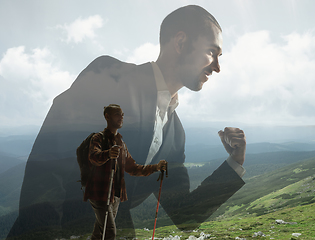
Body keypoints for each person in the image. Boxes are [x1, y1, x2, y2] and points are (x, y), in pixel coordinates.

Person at [8, 5, 246, 239]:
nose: (217, 67)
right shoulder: (111, 76)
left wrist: (235, 162)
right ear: (181, 43)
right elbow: (48, 165)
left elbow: (184, 212)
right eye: (211, 52)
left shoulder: (175, 134)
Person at [85, 104, 167, 240]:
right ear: (107, 117)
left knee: (100, 232)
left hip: (115, 195)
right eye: (118, 114)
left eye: (122, 114)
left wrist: (156, 167)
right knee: (109, 232)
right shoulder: (98, 138)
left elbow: (133, 168)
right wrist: (108, 154)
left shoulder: (121, 144)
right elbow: (93, 157)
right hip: (100, 193)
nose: (121, 117)